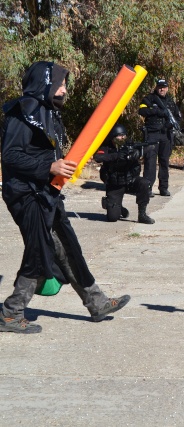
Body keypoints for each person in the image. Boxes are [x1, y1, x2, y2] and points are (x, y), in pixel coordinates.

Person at [0, 61, 130, 333]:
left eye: (65, 85)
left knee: (68, 248)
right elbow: (10, 156)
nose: (63, 90)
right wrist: (49, 167)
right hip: (26, 195)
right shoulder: (23, 111)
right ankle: (11, 313)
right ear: (43, 83)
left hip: (49, 192)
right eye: (59, 84)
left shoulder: (46, 111)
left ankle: (97, 302)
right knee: (39, 251)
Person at [93, 123, 155, 224]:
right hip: (115, 184)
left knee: (144, 183)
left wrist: (137, 153)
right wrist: (117, 156)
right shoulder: (106, 147)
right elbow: (98, 157)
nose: (123, 137)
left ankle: (142, 215)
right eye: (120, 135)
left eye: (124, 135)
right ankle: (117, 206)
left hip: (131, 180)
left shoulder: (129, 144)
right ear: (113, 137)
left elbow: (149, 147)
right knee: (112, 218)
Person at [138, 79, 181, 197]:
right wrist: (156, 111)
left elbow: (178, 117)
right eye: (160, 87)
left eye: (164, 87)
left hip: (166, 135)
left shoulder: (171, 102)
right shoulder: (149, 99)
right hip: (152, 134)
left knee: (164, 162)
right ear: (156, 87)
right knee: (150, 162)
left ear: (167, 88)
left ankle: (163, 188)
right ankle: (147, 188)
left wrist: (172, 124)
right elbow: (142, 110)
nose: (162, 89)